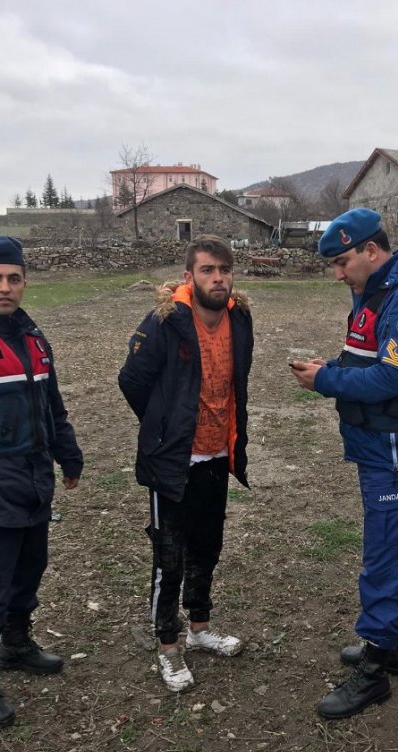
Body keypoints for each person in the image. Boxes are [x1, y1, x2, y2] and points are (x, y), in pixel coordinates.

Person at [290, 208, 398, 720]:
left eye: (342, 261)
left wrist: (324, 382)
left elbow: (390, 380)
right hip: (378, 444)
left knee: (388, 553)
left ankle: (376, 667)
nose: (338, 273)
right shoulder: (372, 293)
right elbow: (362, 359)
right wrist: (330, 368)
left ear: (371, 252)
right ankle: (391, 645)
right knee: (386, 544)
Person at [119, 235, 253, 692]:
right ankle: (168, 647)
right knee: (168, 557)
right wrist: (164, 428)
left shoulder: (240, 317)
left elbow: (237, 381)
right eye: (207, 270)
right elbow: (132, 380)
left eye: (224, 270)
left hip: (217, 454)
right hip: (174, 462)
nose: (217, 278)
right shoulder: (166, 321)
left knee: (206, 549)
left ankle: (199, 630)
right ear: (188, 277)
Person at [0, 236, 83, 728]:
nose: (5, 287)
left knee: (28, 569)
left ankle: (15, 645)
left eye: (13, 278)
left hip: (33, 478)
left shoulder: (33, 337)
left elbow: (50, 405)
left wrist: (68, 453)